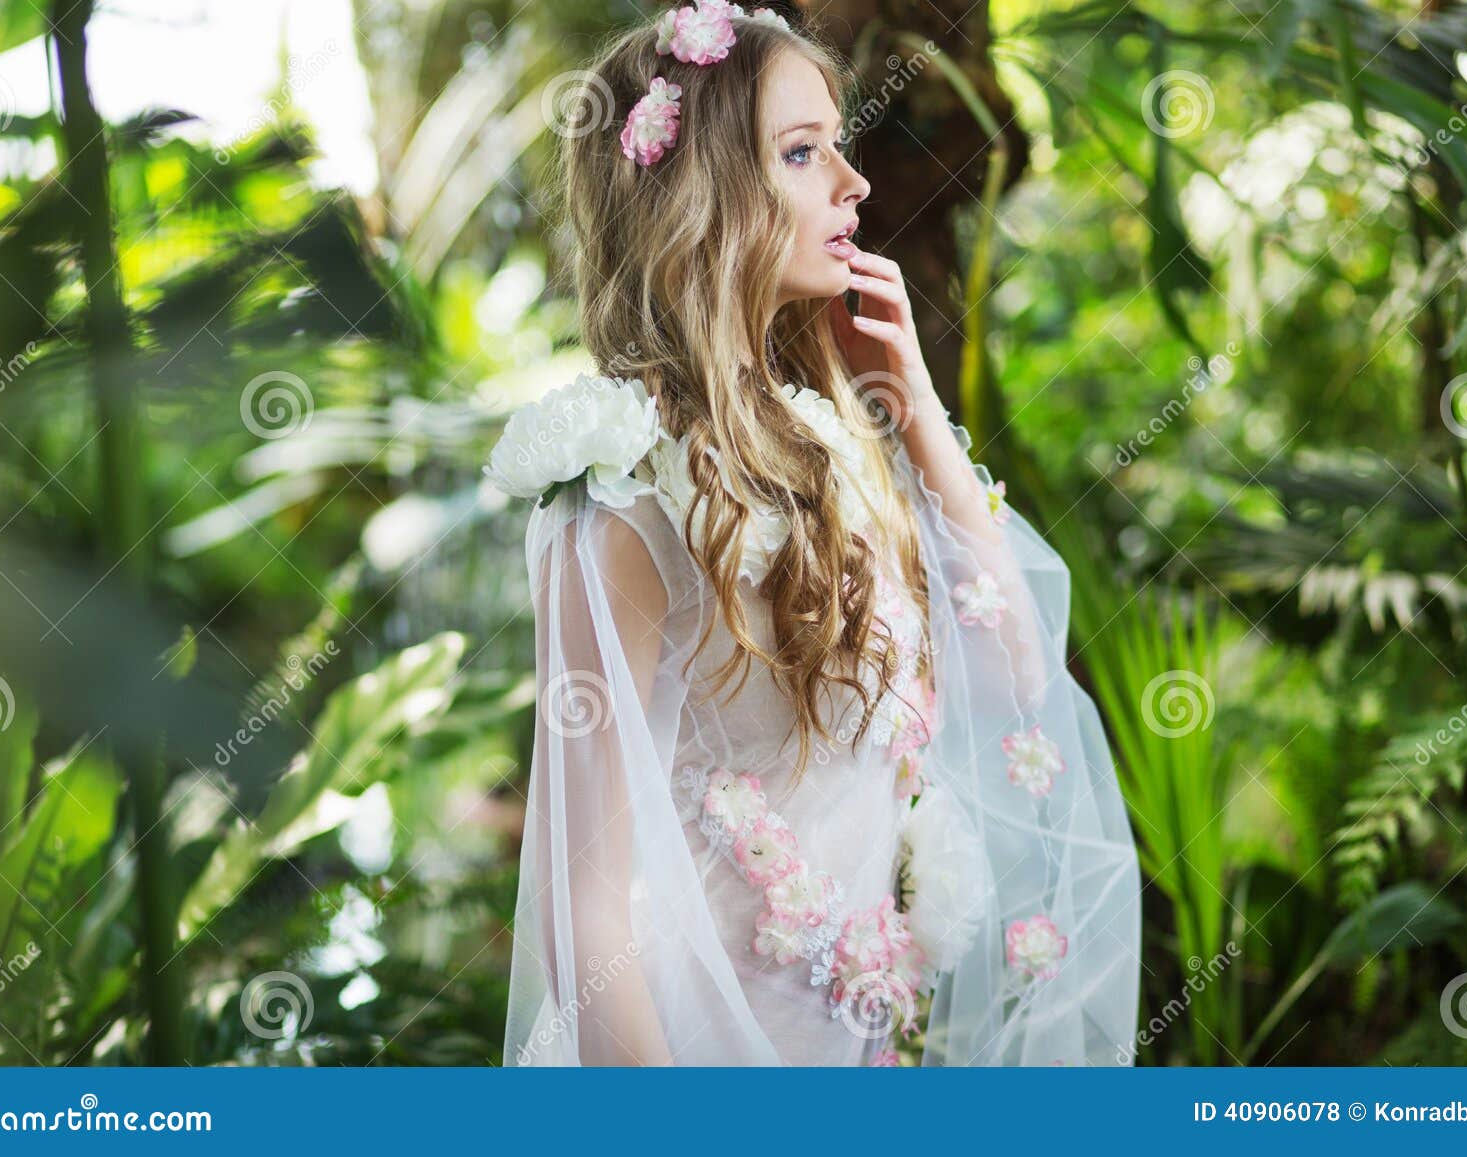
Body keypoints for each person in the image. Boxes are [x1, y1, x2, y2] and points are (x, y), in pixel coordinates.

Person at [485, 1, 1141, 1066]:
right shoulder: (618, 495)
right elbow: (584, 902)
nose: (855, 183)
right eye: (802, 152)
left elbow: (1019, 679)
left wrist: (915, 410)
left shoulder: (835, 447)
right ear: (704, 197)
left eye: (839, 144)